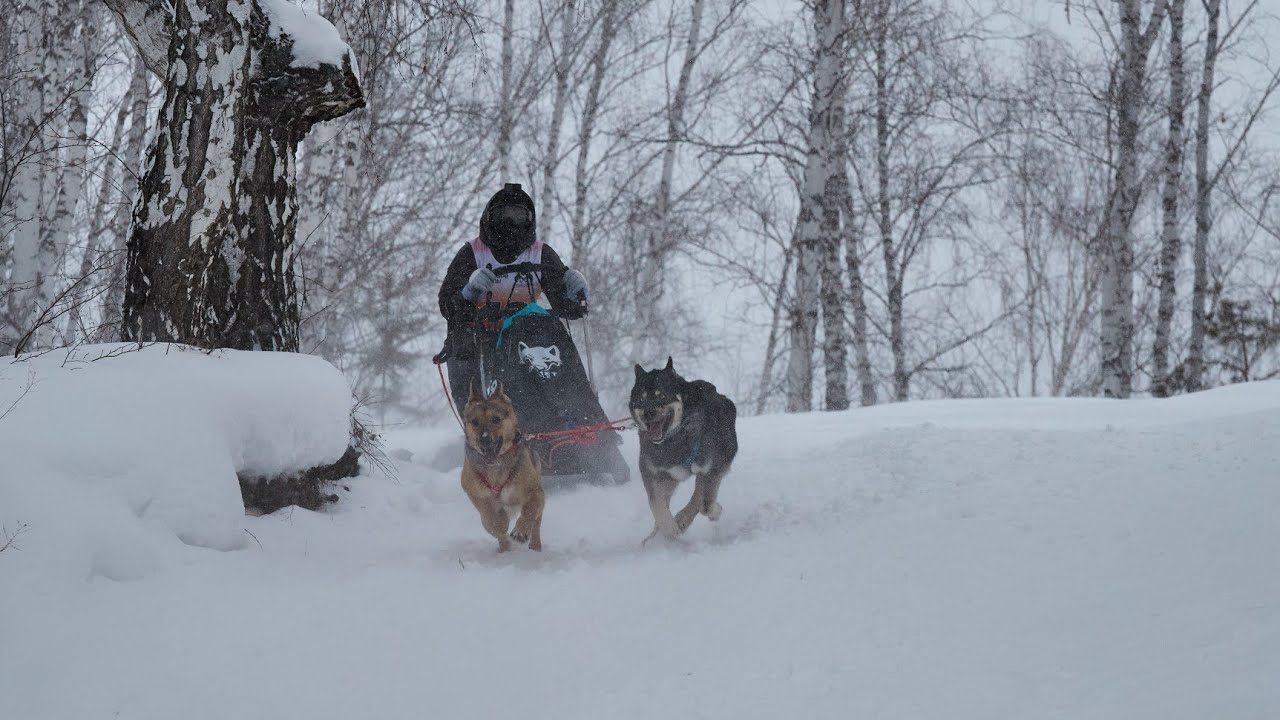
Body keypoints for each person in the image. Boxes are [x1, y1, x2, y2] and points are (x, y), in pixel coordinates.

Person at [438, 183, 589, 409]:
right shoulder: (472, 253)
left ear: (530, 220)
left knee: (553, 334)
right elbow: (446, 306)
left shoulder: (540, 254)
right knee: (462, 346)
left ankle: (574, 410)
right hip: (478, 337)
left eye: (518, 217)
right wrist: (468, 292)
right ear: (490, 218)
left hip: (524, 335)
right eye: (503, 216)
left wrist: (575, 293)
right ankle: (480, 417)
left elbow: (567, 309)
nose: (510, 224)